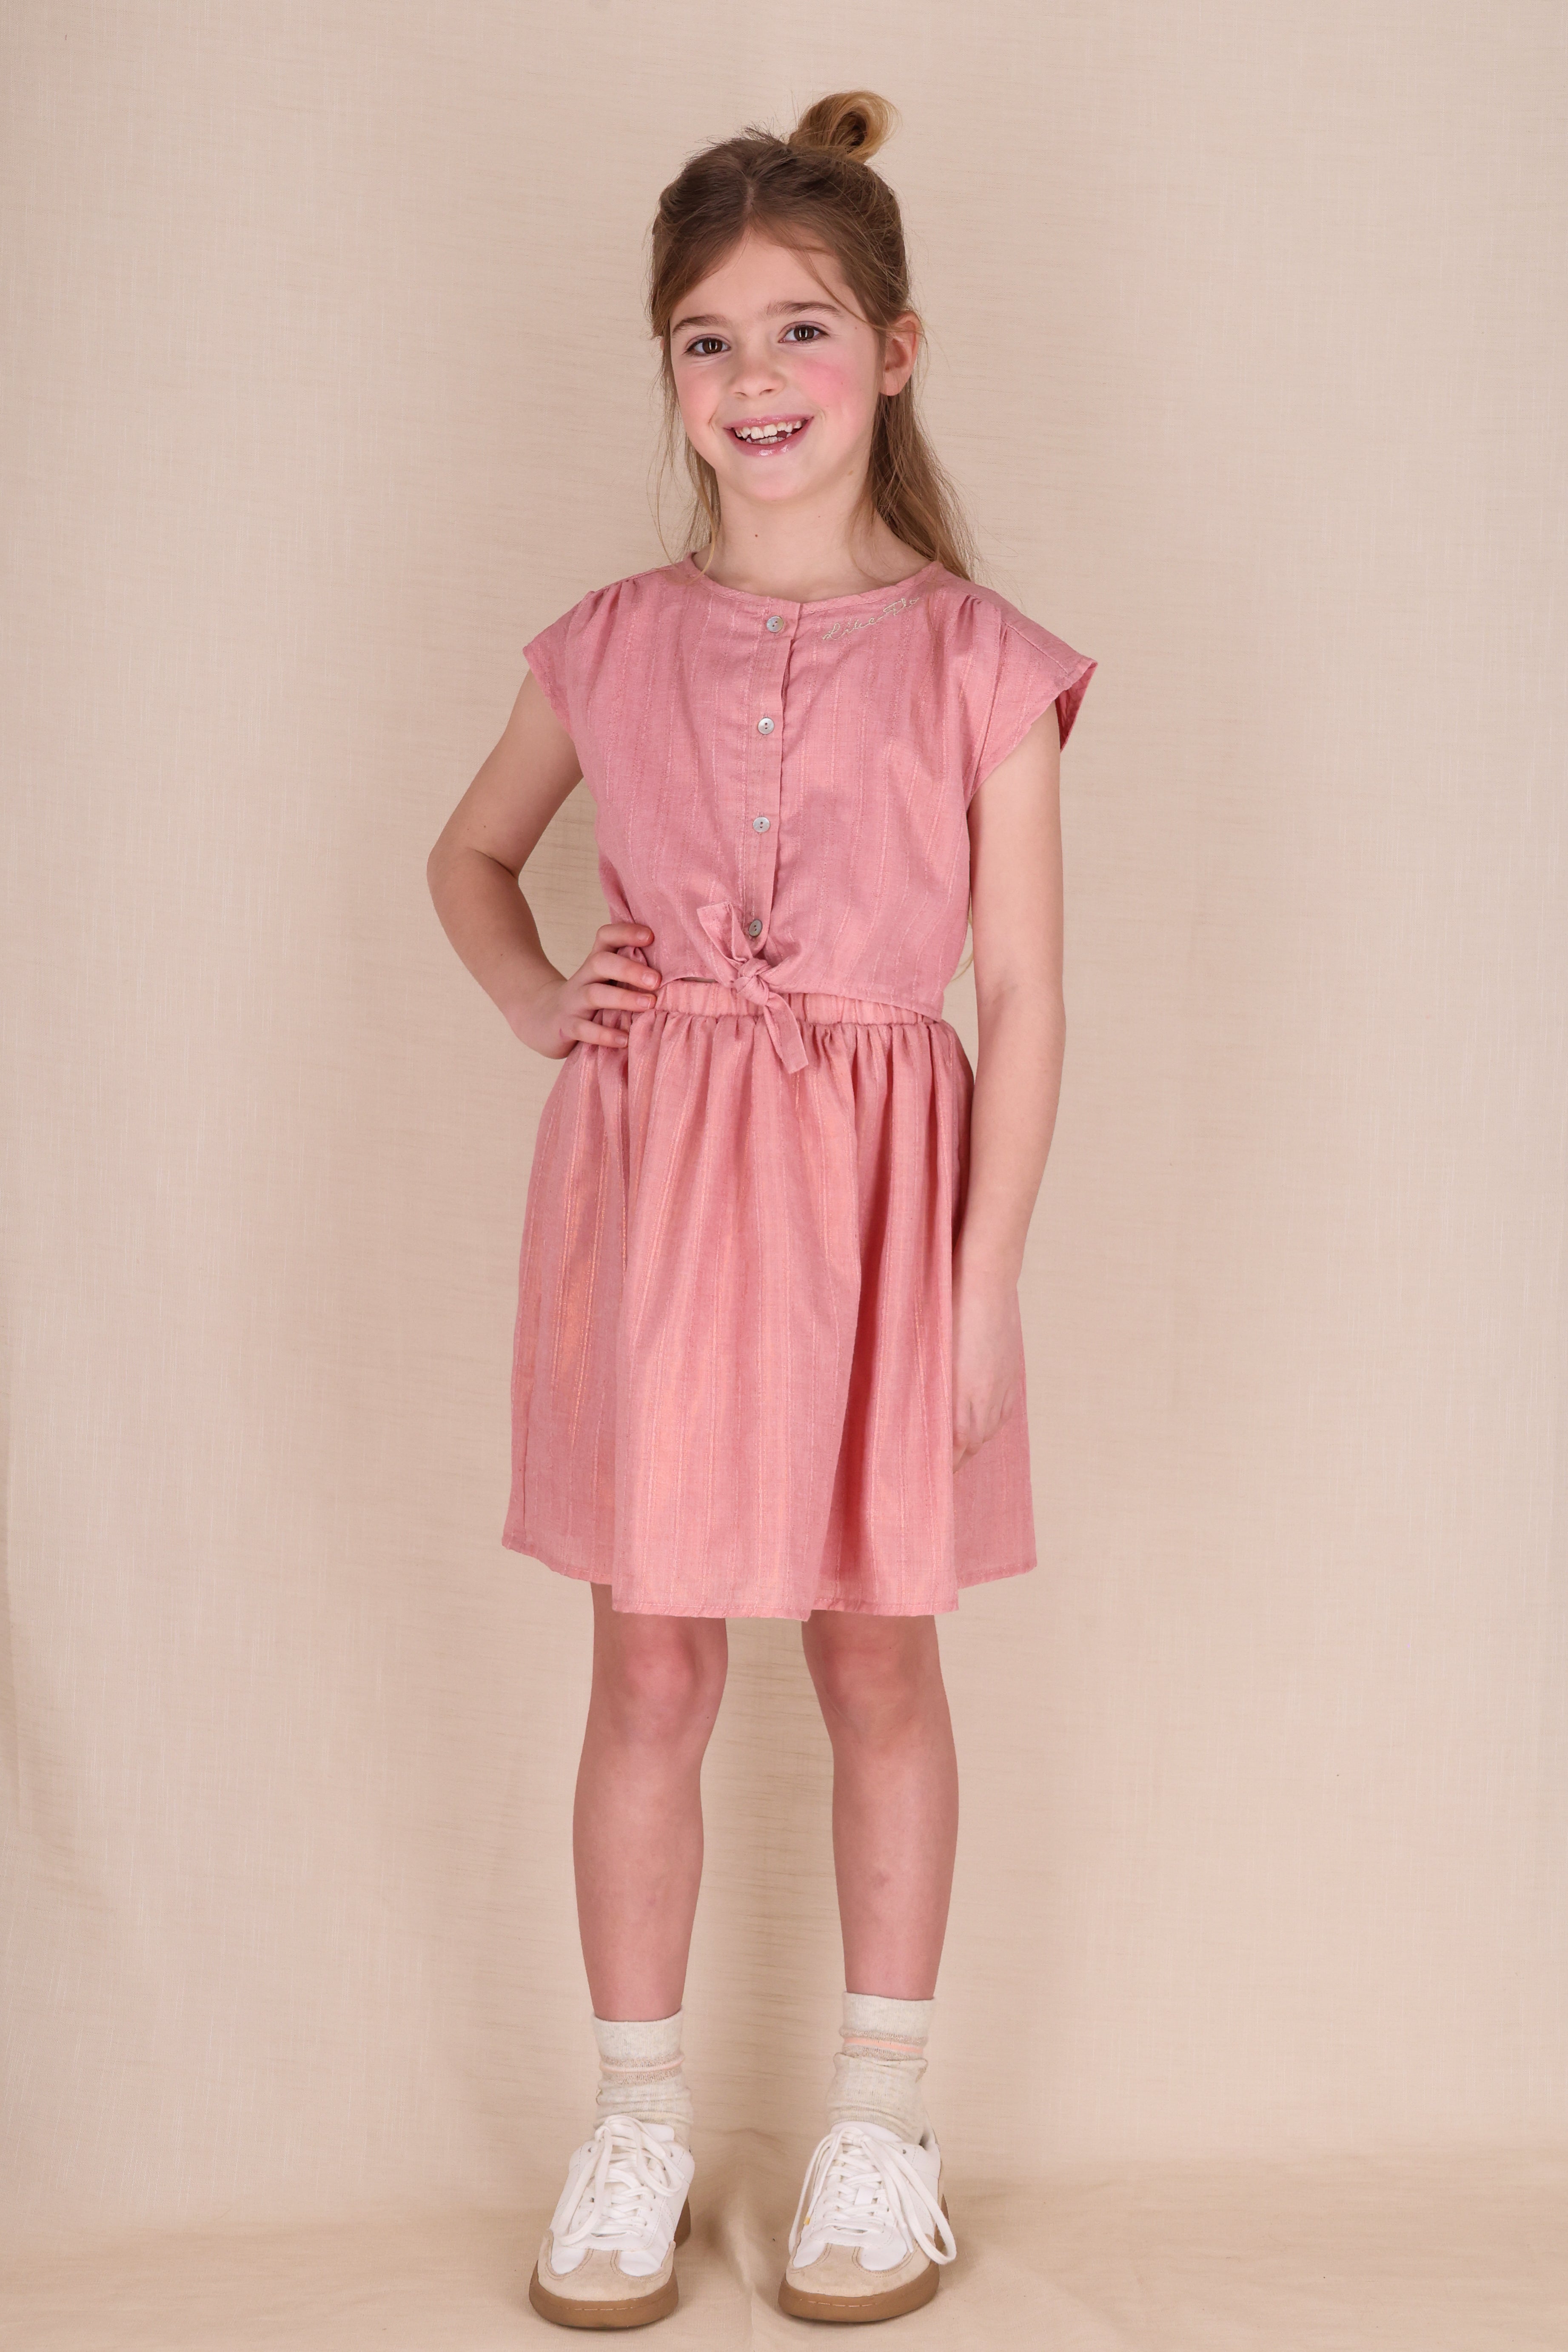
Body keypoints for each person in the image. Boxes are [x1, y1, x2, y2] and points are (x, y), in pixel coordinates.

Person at [426, 88, 1095, 2331]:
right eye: (705, 341)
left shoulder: (983, 659)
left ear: (891, 353)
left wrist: (982, 1288)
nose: (754, 380)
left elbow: (1023, 991)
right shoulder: (612, 639)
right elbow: (469, 855)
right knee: (648, 1655)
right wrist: (539, 995)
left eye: (800, 329)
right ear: (668, 373)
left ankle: (878, 2127)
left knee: (878, 1648)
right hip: (658, 1197)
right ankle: (634, 2122)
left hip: (887, 1207)